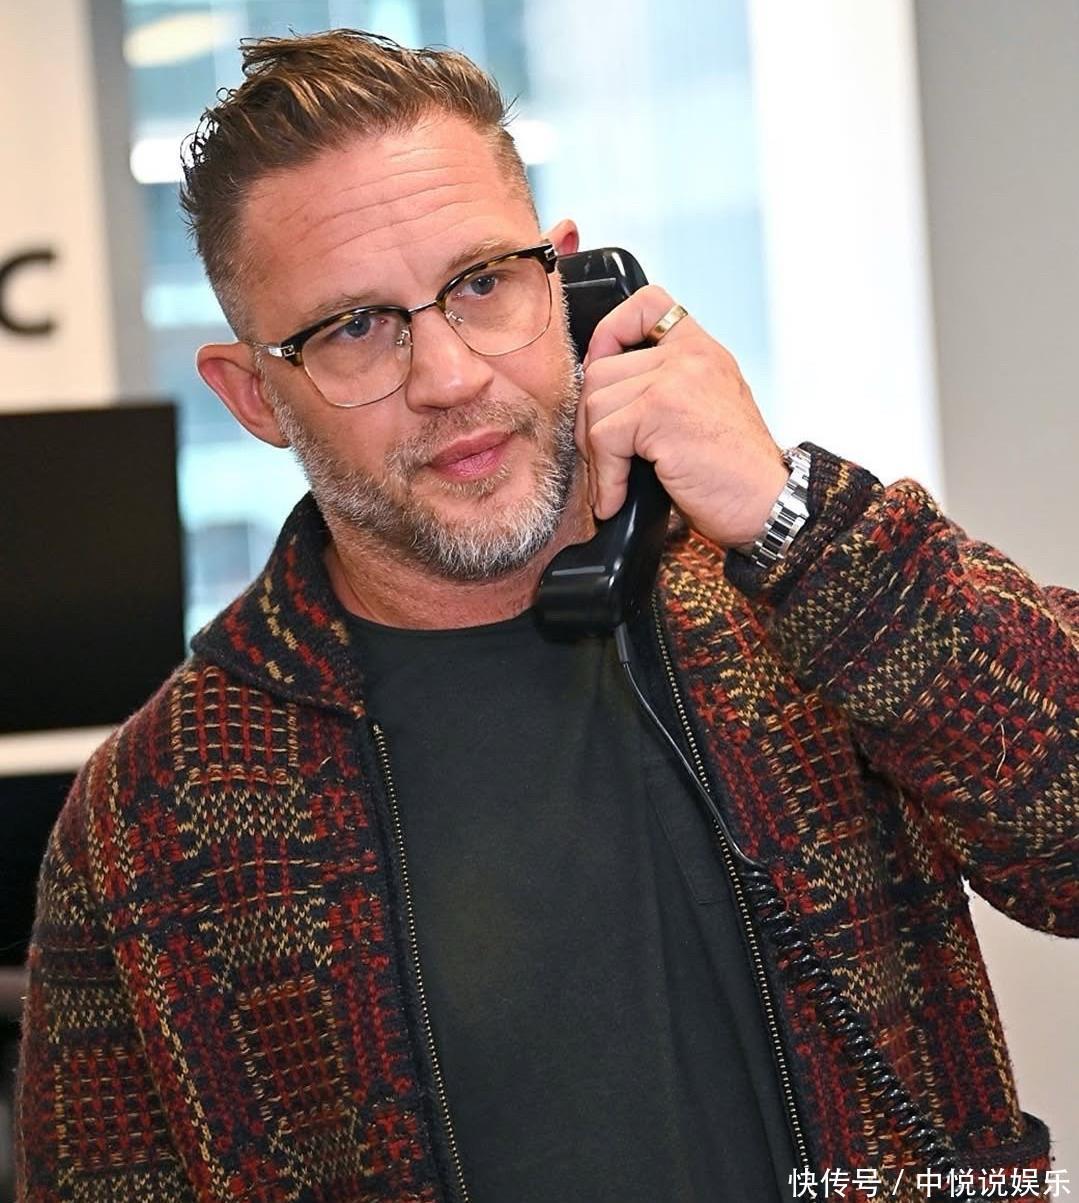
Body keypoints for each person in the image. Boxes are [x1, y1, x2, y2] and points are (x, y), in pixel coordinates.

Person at [15, 29, 1077, 1203]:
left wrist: (788, 519)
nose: (450, 376)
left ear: (562, 280)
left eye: (482, 283)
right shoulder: (156, 811)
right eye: (354, 326)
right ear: (254, 395)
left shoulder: (801, 598)